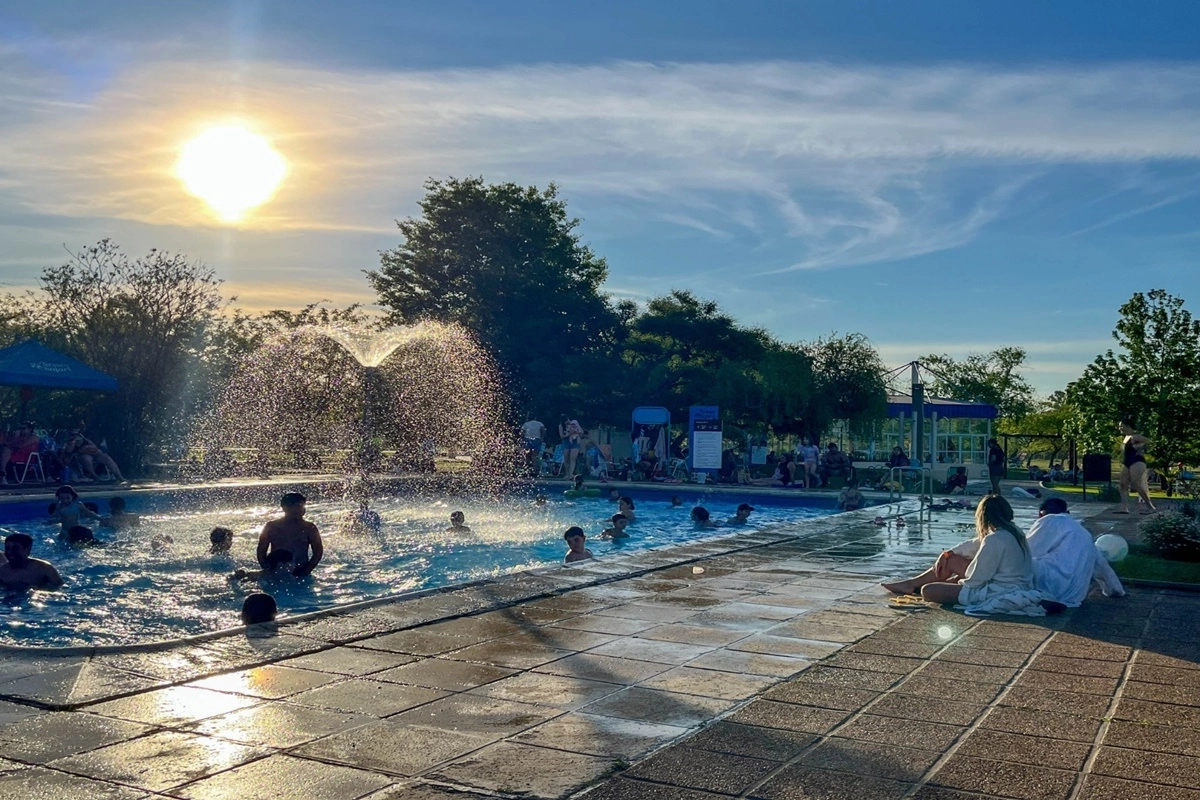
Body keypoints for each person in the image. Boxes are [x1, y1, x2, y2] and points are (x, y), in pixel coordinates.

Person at [256, 492, 323, 578]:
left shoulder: (309, 528)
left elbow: (318, 552)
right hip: (275, 571)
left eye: (303, 506)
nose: (302, 509)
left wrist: (306, 570)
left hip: (300, 572)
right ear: (285, 508)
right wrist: (267, 568)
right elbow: (261, 550)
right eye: (298, 506)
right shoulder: (272, 527)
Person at [1117, 420, 1155, 514]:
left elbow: (1150, 442)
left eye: (1122, 426)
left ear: (1128, 426)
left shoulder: (1136, 436)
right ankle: (1124, 507)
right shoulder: (1126, 437)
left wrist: (1140, 446)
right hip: (1127, 462)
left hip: (1137, 461)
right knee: (1123, 484)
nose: (1120, 428)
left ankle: (1150, 507)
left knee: (1135, 485)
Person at [62, 432, 127, 483]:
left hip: (92, 455)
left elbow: (96, 449)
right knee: (87, 459)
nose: (76, 437)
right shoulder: (69, 443)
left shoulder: (86, 441)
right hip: (80, 456)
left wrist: (91, 450)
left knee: (106, 458)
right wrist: (74, 445)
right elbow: (69, 452)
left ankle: (120, 477)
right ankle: (95, 477)